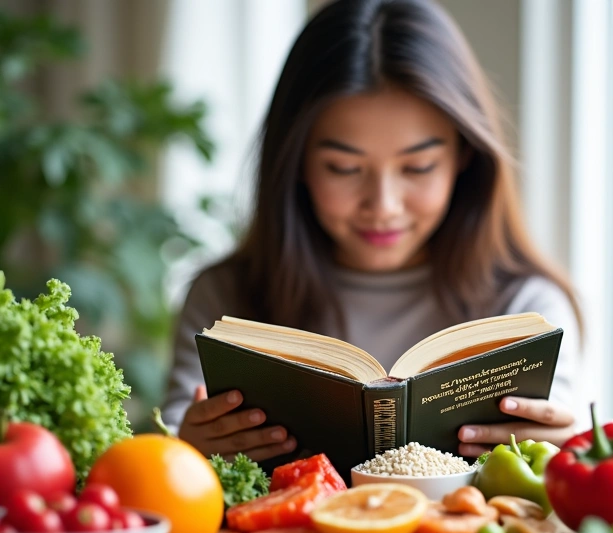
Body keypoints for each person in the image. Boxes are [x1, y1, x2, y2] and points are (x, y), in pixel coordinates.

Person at [162, 0, 584, 466]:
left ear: (464, 157)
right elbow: (167, 454)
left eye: (418, 166)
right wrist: (186, 449)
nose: (383, 205)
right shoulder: (224, 300)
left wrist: (563, 453)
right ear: (295, 162)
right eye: (343, 168)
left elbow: (556, 455)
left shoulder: (526, 310)